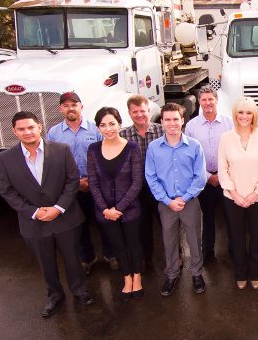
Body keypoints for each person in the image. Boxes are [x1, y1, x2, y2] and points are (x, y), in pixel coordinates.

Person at [0, 111, 94, 318]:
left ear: (39, 127)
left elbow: (72, 181)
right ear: (14, 132)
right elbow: (7, 191)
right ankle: (54, 295)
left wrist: (58, 208)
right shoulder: (5, 158)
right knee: (46, 262)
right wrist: (33, 212)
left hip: (65, 218)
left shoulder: (61, 150)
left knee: (72, 259)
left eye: (31, 127)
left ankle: (79, 291)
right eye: (21, 129)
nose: (27, 132)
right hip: (34, 223)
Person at [47, 91, 117, 274]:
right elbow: (53, 162)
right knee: (79, 225)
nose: (71, 108)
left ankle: (111, 255)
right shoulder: (54, 133)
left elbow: (106, 156)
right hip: (71, 187)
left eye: (74, 104)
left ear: (81, 107)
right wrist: (76, 182)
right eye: (66, 105)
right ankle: (87, 258)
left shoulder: (96, 129)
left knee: (104, 220)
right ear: (61, 109)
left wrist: (92, 180)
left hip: (97, 184)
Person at [145, 103, 207, 296]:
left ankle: (197, 273)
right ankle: (172, 274)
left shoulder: (195, 146)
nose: (172, 123)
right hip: (166, 204)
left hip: (190, 202)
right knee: (169, 241)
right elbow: (151, 177)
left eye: (176, 119)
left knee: (194, 240)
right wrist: (166, 200)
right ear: (162, 122)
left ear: (182, 121)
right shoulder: (154, 148)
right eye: (168, 119)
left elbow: (200, 176)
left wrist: (186, 197)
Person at [87, 107, 144, 301]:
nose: (108, 128)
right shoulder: (93, 150)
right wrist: (105, 209)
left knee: (133, 244)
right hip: (105, 212)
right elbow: (93, 182)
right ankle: (126, 278)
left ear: (120, 124)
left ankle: (137, 277)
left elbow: (137, 182)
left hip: (129, 210)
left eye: (112, 123)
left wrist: (119, 209)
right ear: (98, 128)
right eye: (102, 125)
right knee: (118, 246)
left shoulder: (132, 148)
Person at [218, 97, 258, 289]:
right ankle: (241, 274)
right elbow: (222, 168)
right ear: (235, 114)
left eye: (248, 112)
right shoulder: (226, 137)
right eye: (240, 112)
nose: (244, 116)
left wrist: (255, 193)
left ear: (254, 115)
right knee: (237, 238)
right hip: (233, 198)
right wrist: (235, 195)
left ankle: (256, 273)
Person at [185, 86, 234, 262]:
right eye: (204, 100)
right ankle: (208, 251)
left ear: (216, 100)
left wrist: (222, 175)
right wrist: (208, 176)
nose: (207, 103)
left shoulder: (229, 123)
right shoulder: (191, 126)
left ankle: (233, 249)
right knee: (208, 216)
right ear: (199, 102)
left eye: (210, 99)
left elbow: (234, 151)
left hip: (226, 178)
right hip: (203, 179)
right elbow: (189, 156)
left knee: (230, 216)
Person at [119, 95, 165, 265]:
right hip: (136, 188)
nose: (139, 115)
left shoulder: (162, 130)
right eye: (135, 112)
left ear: (149, 111)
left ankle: (176, 255)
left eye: (143, 111)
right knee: (143, 224)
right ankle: (146, 257)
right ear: (129, 113)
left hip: (161, 186)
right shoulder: (123, 135)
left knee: (166, 223)